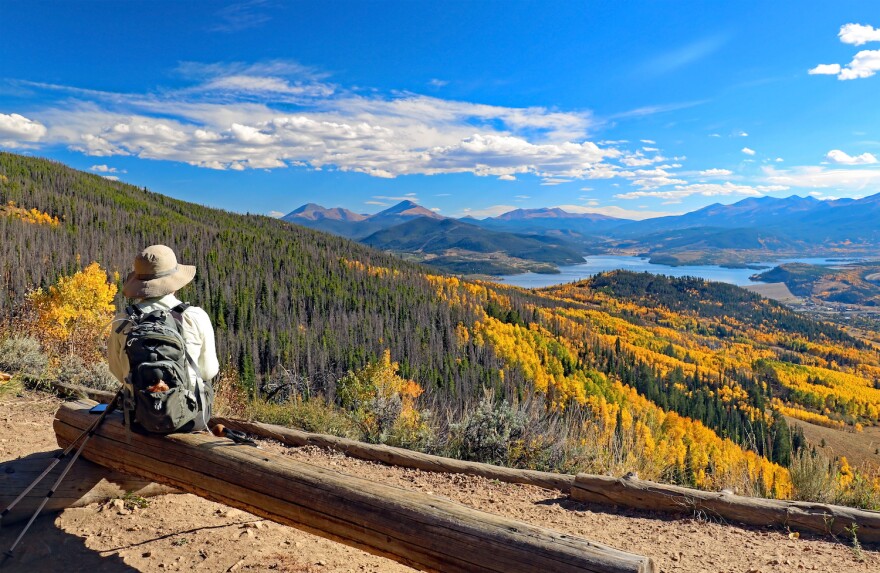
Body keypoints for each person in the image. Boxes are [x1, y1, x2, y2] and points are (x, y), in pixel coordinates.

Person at [108, 244, 218, 431]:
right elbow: (208, 371)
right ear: (174, 282)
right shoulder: (195, 316)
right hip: (189, 420)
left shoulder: (122, 320)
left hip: (138, 418)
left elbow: (117, 371)